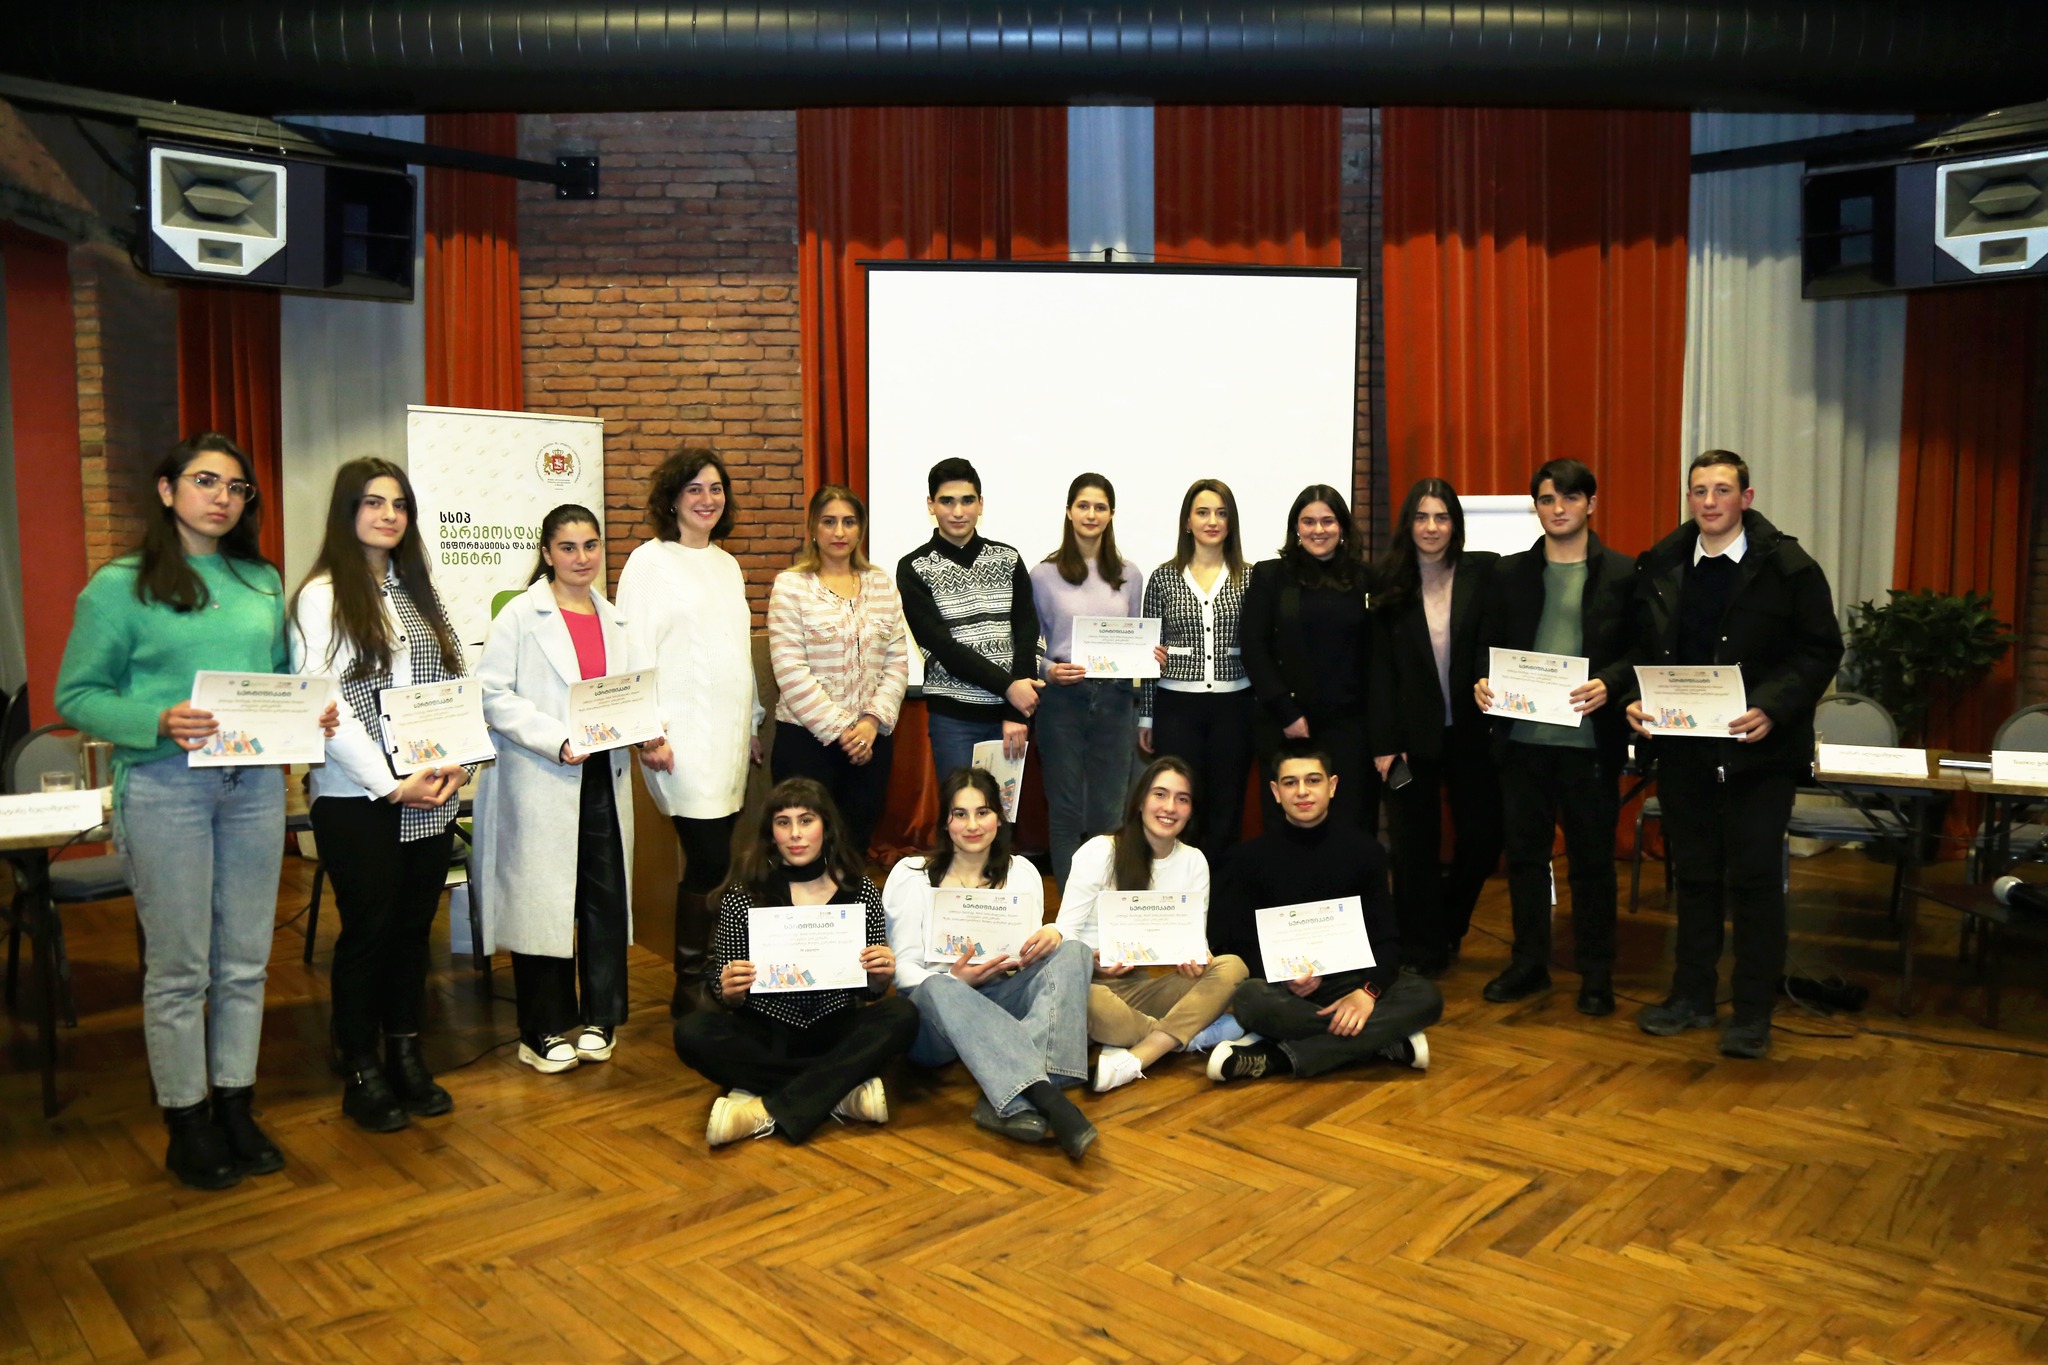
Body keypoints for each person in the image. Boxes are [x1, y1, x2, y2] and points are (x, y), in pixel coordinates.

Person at [56, 432, 334, 1189]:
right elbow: (77, 695)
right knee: (180, 966)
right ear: (167, 489)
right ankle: (186, 1118)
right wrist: (155, 719)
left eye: (236, 487)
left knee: (244, 960)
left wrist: (307, 712)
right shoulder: (119, 585)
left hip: (252, 787)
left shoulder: (260, 580)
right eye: (206, 481)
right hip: (164, 786)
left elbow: (277, 678)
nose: (222, 498)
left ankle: (236, 1104)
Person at [1625, 450, 1843, 1059]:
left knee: (1754, 883)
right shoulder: (1663, 564)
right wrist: (1633, 699)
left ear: (1746, 498)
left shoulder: (1789, 567)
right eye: (1699, 491)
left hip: (1759, 755)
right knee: (1693, 878)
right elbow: (1642, 649)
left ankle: (1751, 1013)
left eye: (1722, 490)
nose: (1709, 501)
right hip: (1684, 753)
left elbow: (1820, 650)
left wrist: (1773, 705)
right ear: (1689, 499)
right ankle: (1691, 997)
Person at [291, 457, 471, 1134]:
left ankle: (406, 1053)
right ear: (348, 511)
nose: (389, 515)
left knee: (411, 930)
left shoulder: (419, 587)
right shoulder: (322, 595)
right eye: (374, 502)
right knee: (368, 932)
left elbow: (453, 680)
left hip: (432, 789)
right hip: (358, 795)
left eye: (399, 504)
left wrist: (457, 763)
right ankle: (361, 1067)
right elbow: (327, 704)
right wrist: (392, 784)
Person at [475, 506, 676, 1073]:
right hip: (541, 775)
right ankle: (540, 1029)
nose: (581, 558)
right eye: (568, 547)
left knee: (603, 900)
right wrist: (556, 739)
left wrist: (650, 731)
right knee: (542, 901)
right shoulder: (520, 616)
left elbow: (637, 694)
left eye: (590, 545)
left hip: (603, 778)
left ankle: (601, 1019)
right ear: (547, 553)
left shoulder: (616, 621)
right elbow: (492, 695)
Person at [1473, 460, 1637, 1016]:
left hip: (1590, 746)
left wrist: (1610, 681)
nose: (1558, 508)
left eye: (1569, 497)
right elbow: (1486, 644)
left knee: (1592, 864)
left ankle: (1596, 973)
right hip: (1521, 741)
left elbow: (1642, 650)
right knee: (1525, 859)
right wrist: (1481, 680)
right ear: (1536, 507)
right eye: (1547, 499)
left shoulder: (1624, 573)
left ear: (1591, 503)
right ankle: (1529, 964)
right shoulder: (1509, 573)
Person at [675, 779, 920, 1145]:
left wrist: (879, 978)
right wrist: (730, 990)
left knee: (903, 1015)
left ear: (826, 827)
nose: (795, 834)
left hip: (835, 1029)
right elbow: (727, 997)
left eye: (806, 820)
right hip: (765, 1033)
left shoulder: (860, 891)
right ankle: (840, 1093)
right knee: (691, 1033)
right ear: (770, 833)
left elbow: (870, 994)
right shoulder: (744, 894)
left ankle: (762, 1108)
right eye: (783, 822)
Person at [616, 447, 764, 1017]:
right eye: (695, 489)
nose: (707, 499)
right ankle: (690, 982)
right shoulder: (647, 563)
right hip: (678, 738)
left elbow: (735, 653)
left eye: (716, 488)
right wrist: (647, 732)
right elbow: (633, 653)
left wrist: (751, 722)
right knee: (707, 859)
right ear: (672, 499)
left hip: (726, 737)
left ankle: (715, 975)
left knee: (719, 860)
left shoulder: (727, 565)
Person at [882, 767, 1097, 1160]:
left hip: (1000, 998)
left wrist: (1048, 938)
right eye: (959, 814)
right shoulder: (911, 876)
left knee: (1074, 949)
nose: (972, 825)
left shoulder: (1022, 873)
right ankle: (1046, 1095)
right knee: (937, 985)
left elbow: (1025, 959)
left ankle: (1016, 1097)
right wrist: (956, 979)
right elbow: (903, 969)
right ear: (944, 822)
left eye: (982, 812)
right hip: (936, 1018)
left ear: (999, 818)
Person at [1206, 743, 1442, 1082]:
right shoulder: (1249, 859)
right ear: (1275, 792)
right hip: (1287, 990)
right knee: (1248, 999)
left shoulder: (1366, 852)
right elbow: (1240, 942)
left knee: (1426, 997)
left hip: (1352, 981)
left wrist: (1367, 993)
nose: (1302, 791)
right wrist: (1285, 976)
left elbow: (1387, 940)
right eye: (1290, 783)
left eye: (1313, 780)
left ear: (1332, 786)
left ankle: (1278, 1057)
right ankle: (1378, 1040)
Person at [1047, 756, 1250, 1093]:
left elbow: (1195, 941)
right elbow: (1064, 932)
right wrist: (1092, 962)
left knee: (1233, 968)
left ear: (1190, 811)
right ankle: (1191, 1036)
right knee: (1092, 1005)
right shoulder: (1100, 851)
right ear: (1140, 800)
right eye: (1160, 794)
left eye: (1182, 799)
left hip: (1145, 989)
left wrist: (1197, 959)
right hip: (1091, 986)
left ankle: (1139, 1055)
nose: (1170, 807)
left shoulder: (1194, 861)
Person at [1368, 478, 1504, 978]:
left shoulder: (1483, 572)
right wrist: (1385, 742)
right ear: (1408, 523)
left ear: (1455, 524)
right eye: (1422, 517)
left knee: (1484, 837)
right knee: (1413, 848)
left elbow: (1496, 641)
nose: (1431, 527)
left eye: (1441, 517)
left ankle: (1449, 922)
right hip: (1409, 739)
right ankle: (1423, 948)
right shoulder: (1387, 583)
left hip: (1472, 731)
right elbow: (1379, 670)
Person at [767, 484, 907, 860]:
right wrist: (844, 731)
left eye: (849, 522)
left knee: (854, 849)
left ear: (861, 529)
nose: (839, 532)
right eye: (829, 522)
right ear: (813, 527)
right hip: (806, 744)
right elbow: (789, 668)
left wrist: (871, 723)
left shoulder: (882, 584)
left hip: (871, 742)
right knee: (802, 852)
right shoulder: (791, 587)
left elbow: (897, 661)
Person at [894, 457, 1042, 782]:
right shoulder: (913, 567)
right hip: (953, 720)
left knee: (1001, 811)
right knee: (958, 808)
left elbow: (1028, 632)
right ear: (931, 505)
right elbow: (942, 647)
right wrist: (1010, 688)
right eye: (947, 501)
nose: (958, 511)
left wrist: (1016, 711)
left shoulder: (1007, 558)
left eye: (967, 501)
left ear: (981, 504)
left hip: (1008, 718)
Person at [1029, 473, 1144, 889]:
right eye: (1083, 506)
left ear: (1111, 514)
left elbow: (1136, 636)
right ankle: (1070, 911)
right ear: (1068, 512)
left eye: (1100, 507)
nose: (1091, 514)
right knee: (1065, 811)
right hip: (1062, 700)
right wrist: (1047, 669)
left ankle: (1102, 907)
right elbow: (1028, 645)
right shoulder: (1043, 574)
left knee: (1108, 814)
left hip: (1115, 700)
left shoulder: (1130, 574)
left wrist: (1149, 655)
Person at [1241, 484, 1376, 835]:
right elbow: (1253, 646)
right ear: (1296, 528)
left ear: (1342, 527)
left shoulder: (1366, 579)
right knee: (1286, 831)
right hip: (1285, 725)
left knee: (1349, 827)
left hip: (1348, 730)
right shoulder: (1270, 575)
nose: (1319, 530)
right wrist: (1287, 712)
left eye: (1328, 521)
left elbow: (1375, 655)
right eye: (1308, 521)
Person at [1138, 478, 1256, 853]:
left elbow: (1260, 646)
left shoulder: (1250, 577)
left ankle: (1221, 888)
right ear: (1187, 522)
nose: (1212, 521)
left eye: (1221, 513)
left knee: (1226, 809)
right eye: (1203, 512)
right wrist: (1146, 716)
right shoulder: (1163, 578)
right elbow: (1149, 655)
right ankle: (1180, 888)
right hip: (1177, 710)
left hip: (1234, 708)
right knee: (1180, 806)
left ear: (1231, 522)